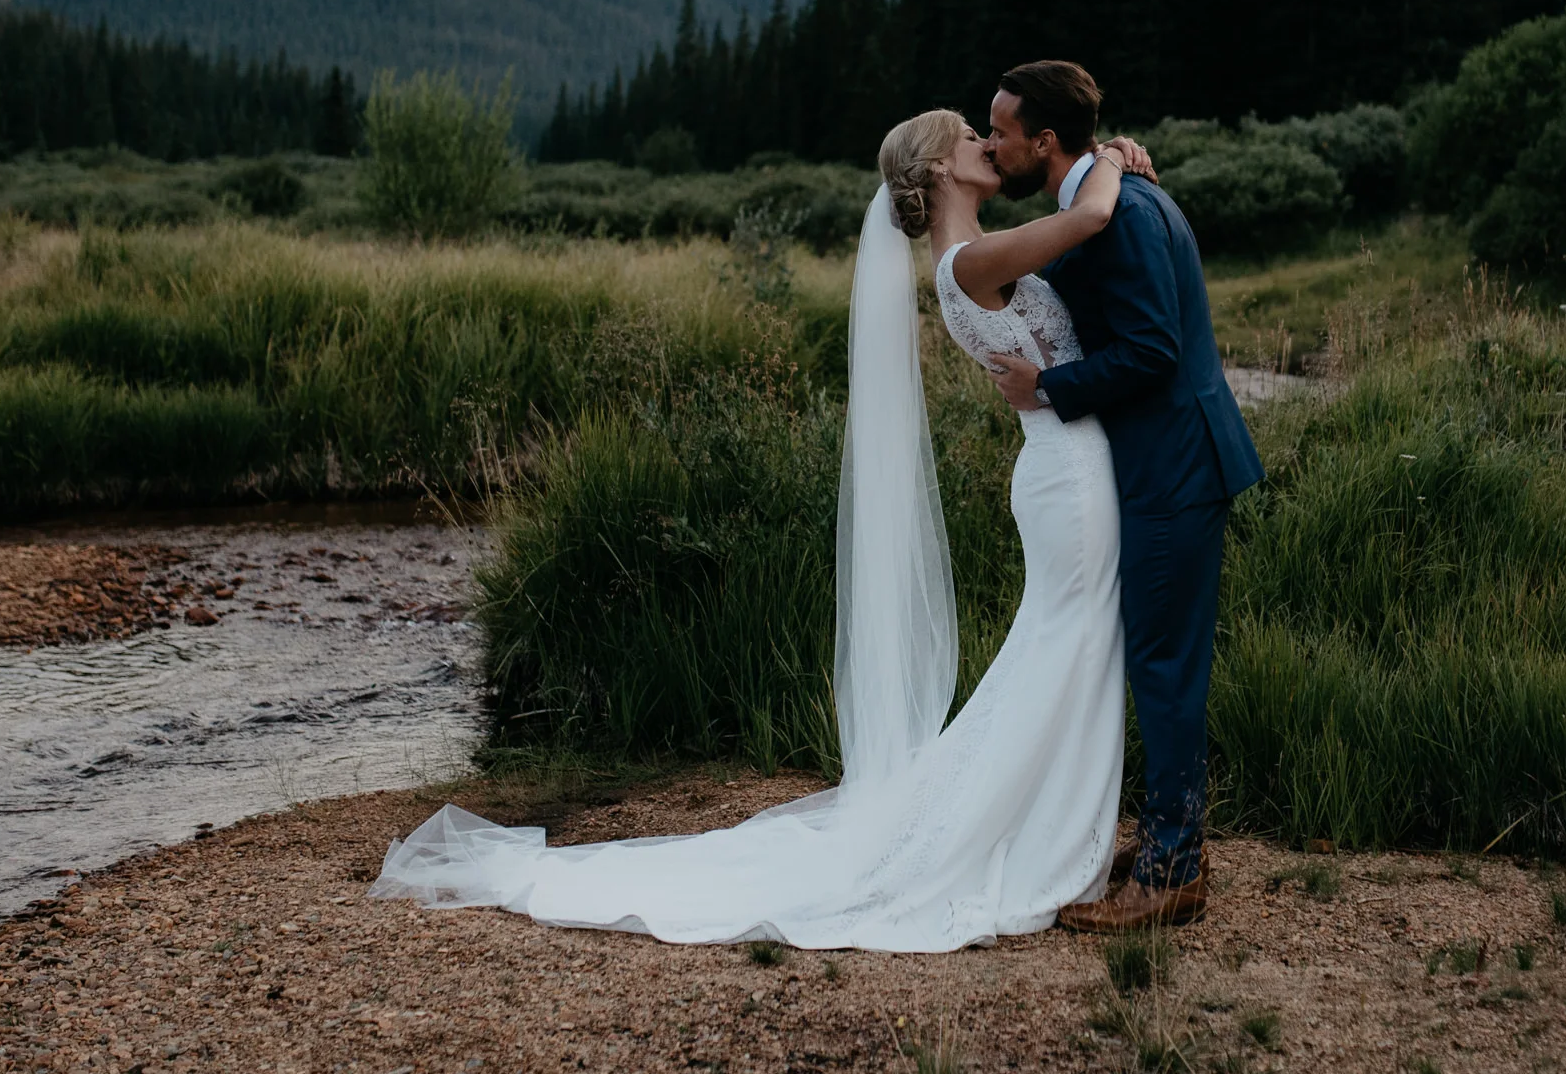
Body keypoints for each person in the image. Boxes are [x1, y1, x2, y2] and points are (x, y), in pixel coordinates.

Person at [368, 108, 1158, 950]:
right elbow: (1090, 217)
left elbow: (1074, 250)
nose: (987, 142)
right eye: (970, 136)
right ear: (938, 170)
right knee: (1067, 645)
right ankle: (1042, 845)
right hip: (1067, 476)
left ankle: (1047, 833)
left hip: (1068, 470)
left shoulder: (976, 254)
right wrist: (1111, 155)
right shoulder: (969, 262)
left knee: (1067, 645)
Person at [979, 60, 1263, 930]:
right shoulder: (1102, 197)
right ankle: (1172, 834)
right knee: (1157, 659)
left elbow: (1152, 351)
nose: (993, 142)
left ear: (1046, 141)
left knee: (1165, 667)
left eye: (1002, 131)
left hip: (1177, 469)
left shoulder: (1123, 213)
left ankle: (1173, 869)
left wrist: (1047, 388)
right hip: (1164, 465)